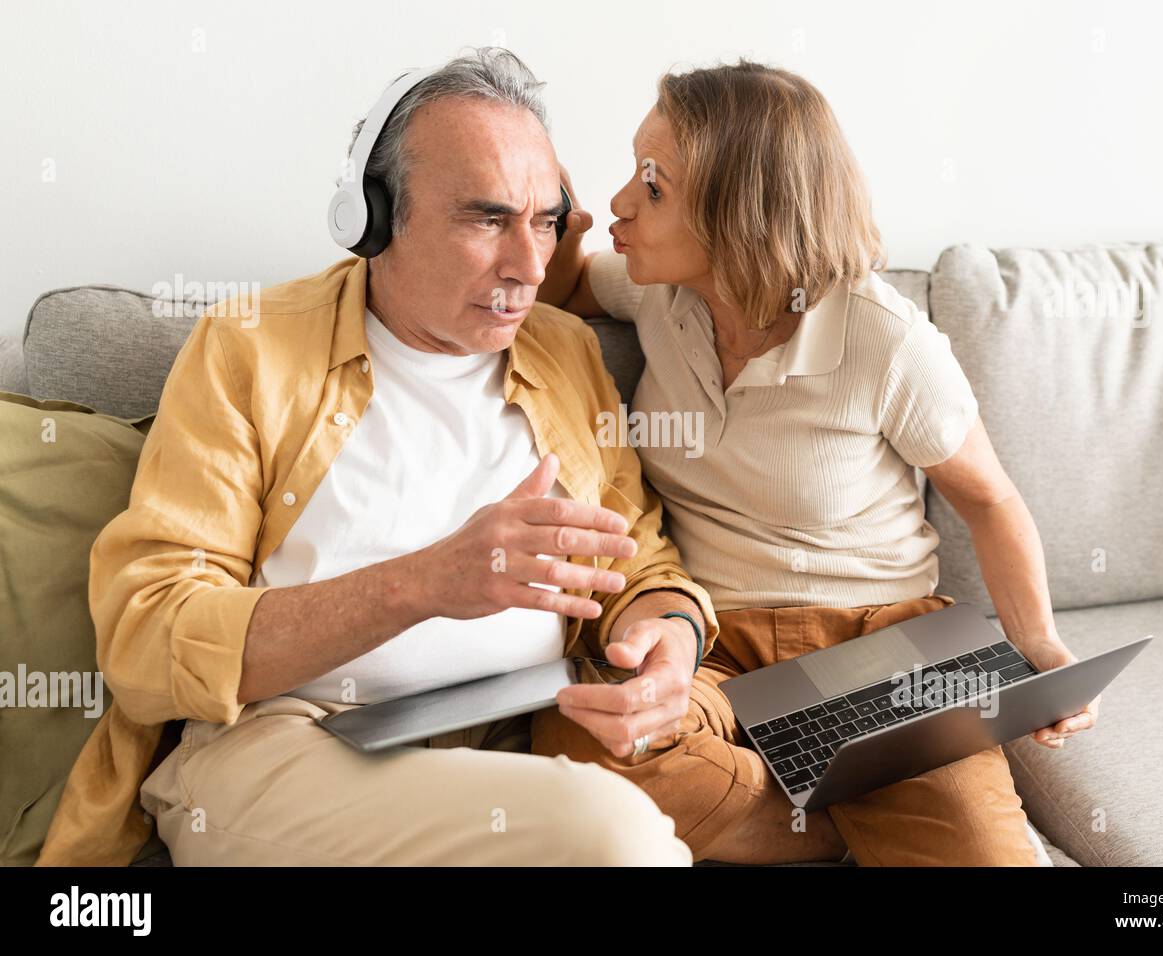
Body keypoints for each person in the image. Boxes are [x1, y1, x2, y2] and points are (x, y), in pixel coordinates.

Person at [36, 48, 717, 867]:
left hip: (522, 734)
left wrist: (667, 641)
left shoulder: (564, 352)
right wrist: (426, 582)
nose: (530, 268)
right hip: (290, 742)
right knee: (615, 839)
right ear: (374, 216)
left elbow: (639, 565)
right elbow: (149, 639)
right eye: (488, 219)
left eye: (544, 222)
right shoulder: (248, 349)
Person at [534, 59, 1099, 866]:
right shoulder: (659, 291)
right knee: (586, 739)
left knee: (986, 855)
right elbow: (565, 285)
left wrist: (1038, 643)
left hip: (877, 648)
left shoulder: (883, 338)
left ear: (741, 215)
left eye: (653, 187)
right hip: (709, 640)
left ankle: (839, 795)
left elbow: (989, 501)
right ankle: (827, 824)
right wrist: (557, 213)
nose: (624, 200)